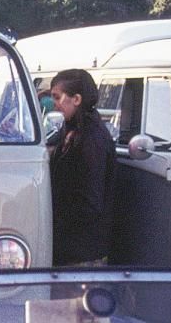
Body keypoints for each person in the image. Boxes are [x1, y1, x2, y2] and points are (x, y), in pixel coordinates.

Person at [48, 68, 116, 267]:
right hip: (72, 246)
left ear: (76, 99)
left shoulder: (91, 138)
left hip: (81, 251)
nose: (54, 104)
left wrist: (56, 218)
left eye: (57, 97)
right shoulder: (75, 131)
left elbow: (89, 200)